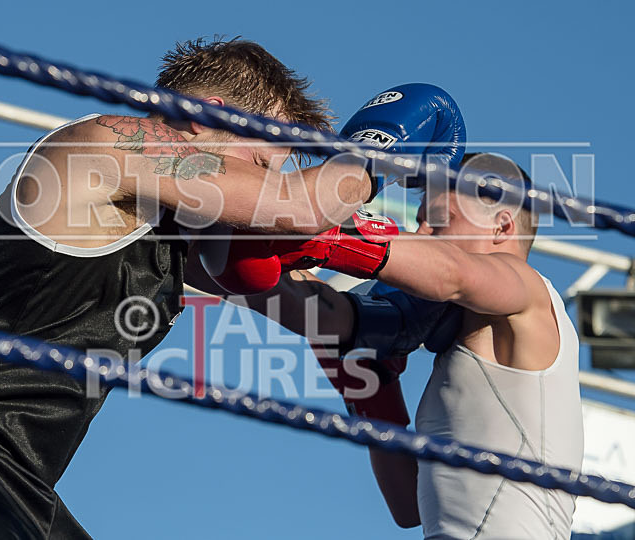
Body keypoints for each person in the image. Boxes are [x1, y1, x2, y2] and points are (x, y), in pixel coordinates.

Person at [0, 38, 462, 538]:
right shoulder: (105, 146)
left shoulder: (174, 233)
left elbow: (298, 302)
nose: (263, 183)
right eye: (267, 160)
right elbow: (298, 208)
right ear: (205, 115)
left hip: (21, 484)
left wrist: (379, 324)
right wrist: (374, 151)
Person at [238, 153, 584, 539]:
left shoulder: (529, 292)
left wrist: (307, 219)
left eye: (436, 222)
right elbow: (408, 507)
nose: (420, 234)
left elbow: (453, 274)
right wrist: (376, 398)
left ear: (502, 227)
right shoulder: (463, 347)